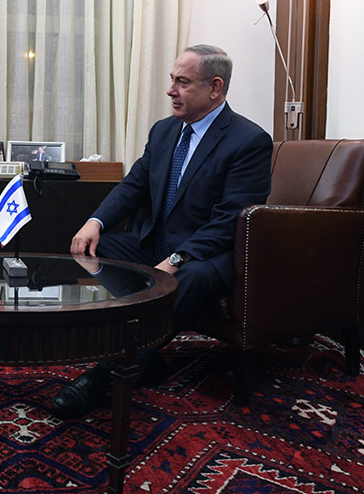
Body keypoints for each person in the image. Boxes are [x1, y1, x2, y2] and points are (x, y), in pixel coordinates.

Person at [53, 44, 272, 418]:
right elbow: (133, 186)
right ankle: (141, 356)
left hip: (209, 254)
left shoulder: (248, 141)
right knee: (89, 250)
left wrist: (176, 258)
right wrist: (95, 222)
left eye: (182, 82)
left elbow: (228, 219)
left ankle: (106, 376)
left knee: (187, 277)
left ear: (215, 88)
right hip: (154, 241)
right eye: (172, 79)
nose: (171, 90)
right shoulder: (165, 131)